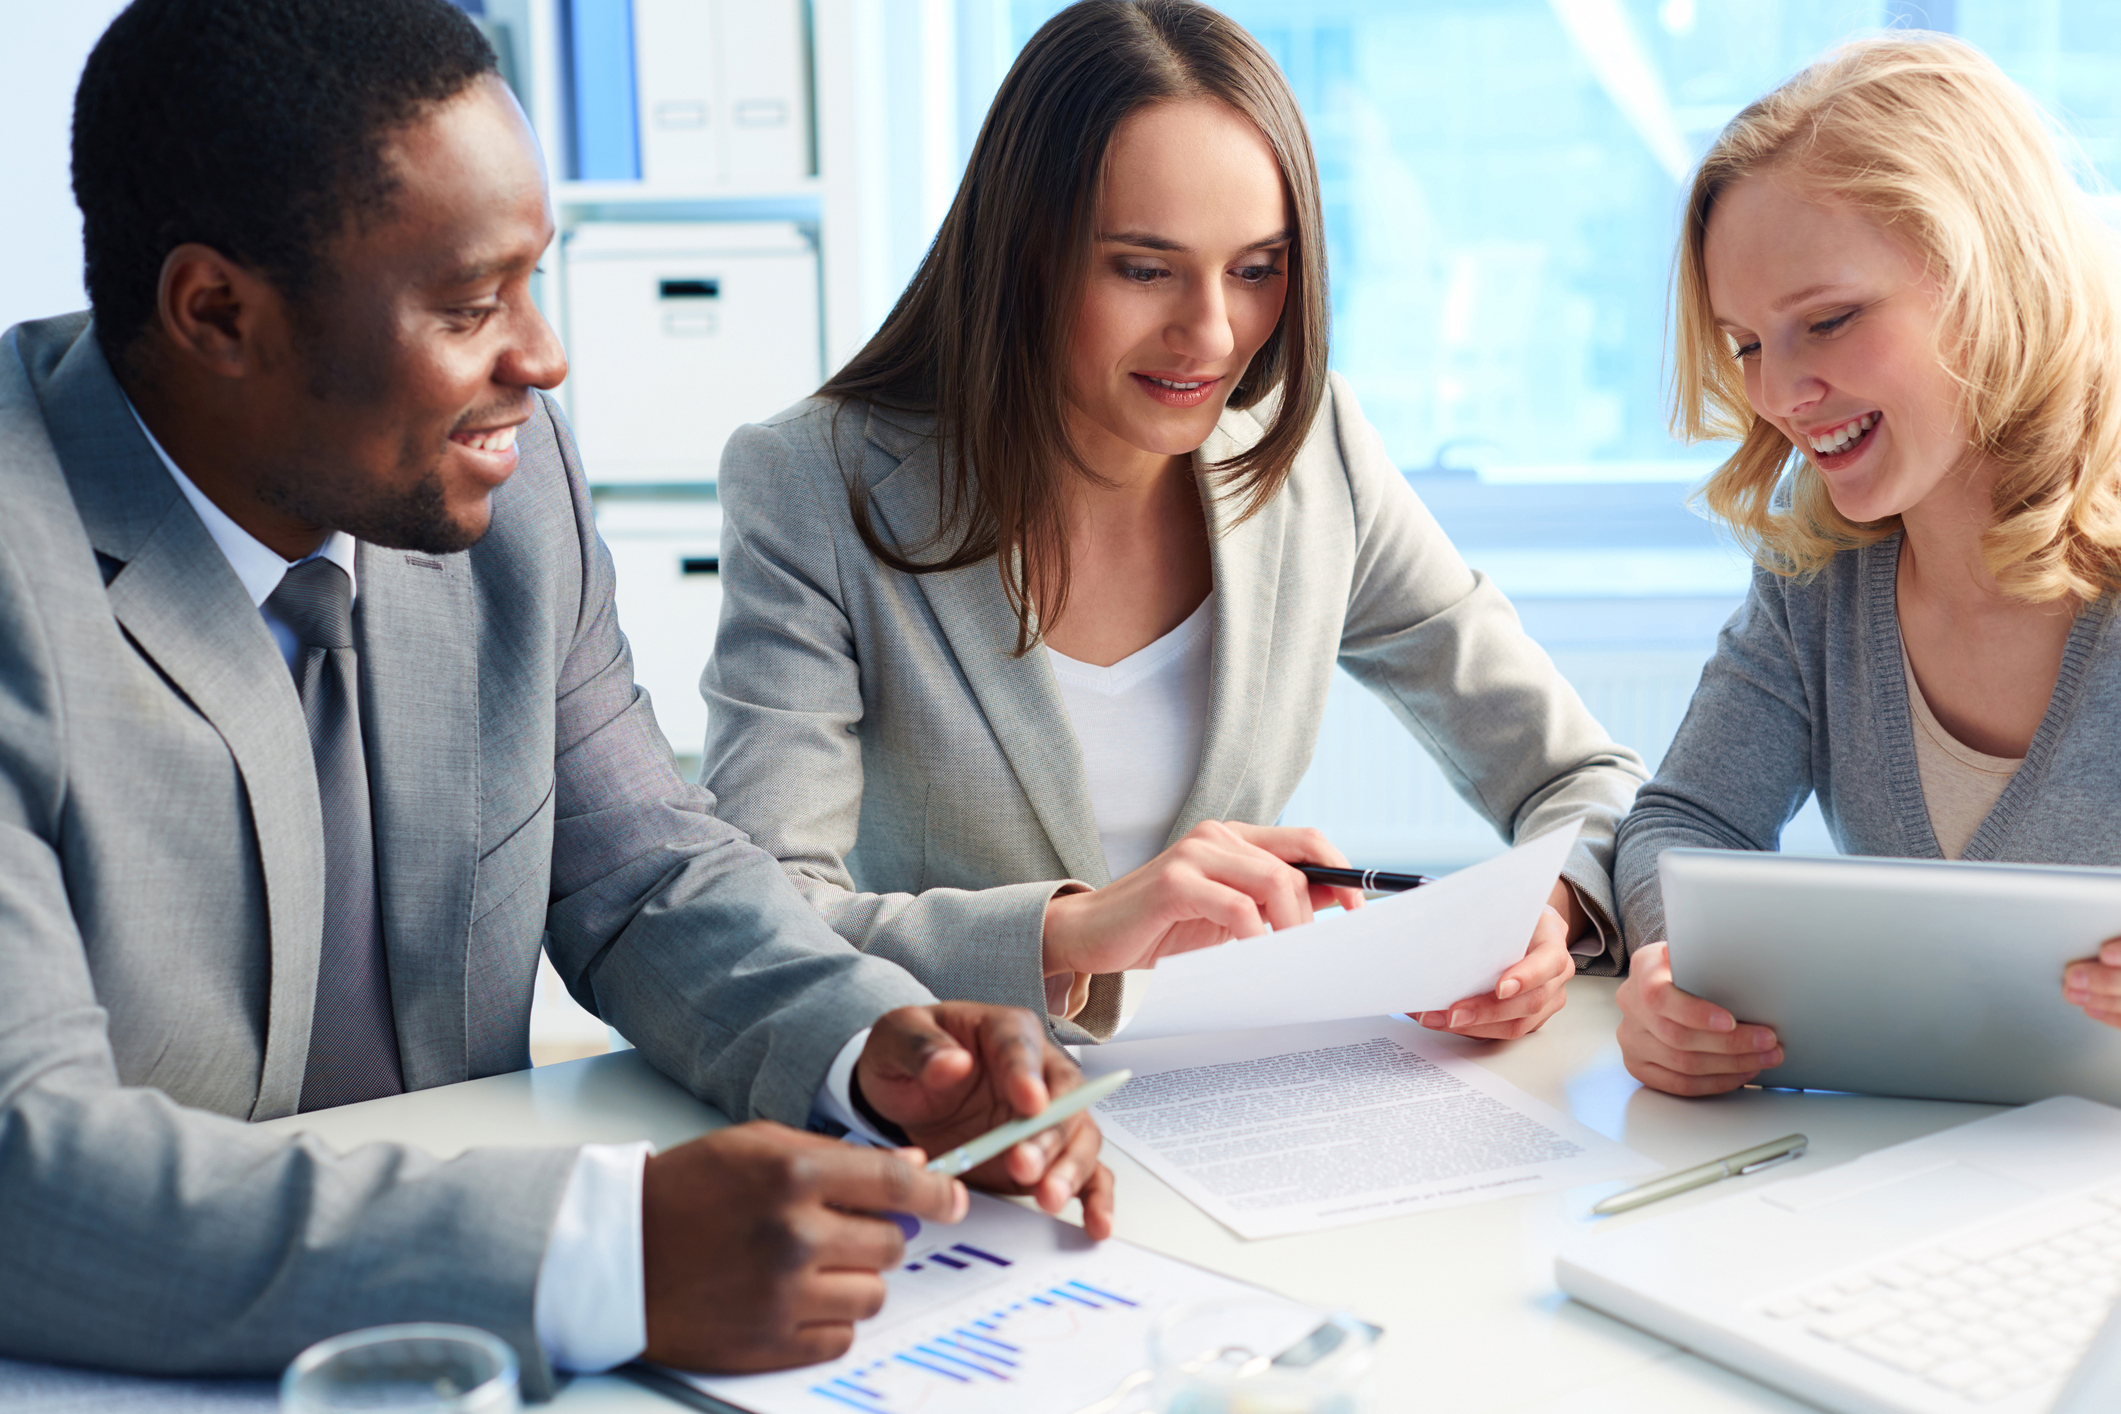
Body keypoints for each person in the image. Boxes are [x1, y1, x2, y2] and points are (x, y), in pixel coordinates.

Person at [0, 0, 1110, 1392]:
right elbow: (22, 1166)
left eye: (534, 281)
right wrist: (599, 1254)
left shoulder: (492, 479)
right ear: (217, 310)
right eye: (471, 305)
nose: (542, 356)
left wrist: (870, 1041)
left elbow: (644, 866)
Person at [700, 0, 1648, 1046]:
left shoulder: (1310, 448)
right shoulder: (815, 481)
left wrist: (1534, 920)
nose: (1212, 333)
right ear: (1024, 251)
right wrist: (1077, 931)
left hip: (1227, 1087)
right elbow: (757, 921)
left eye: (1255, 269)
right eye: (1144, 268)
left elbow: (1585, 780)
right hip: (949, 1106)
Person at [1614, 34, 2121, 1096]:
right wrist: (1678, 977)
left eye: (1830, 320)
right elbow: (1683, 822)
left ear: (1993, 278)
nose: (1780, 393)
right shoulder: (1822, 570)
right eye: (1746, 341)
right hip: (1912, 1178)